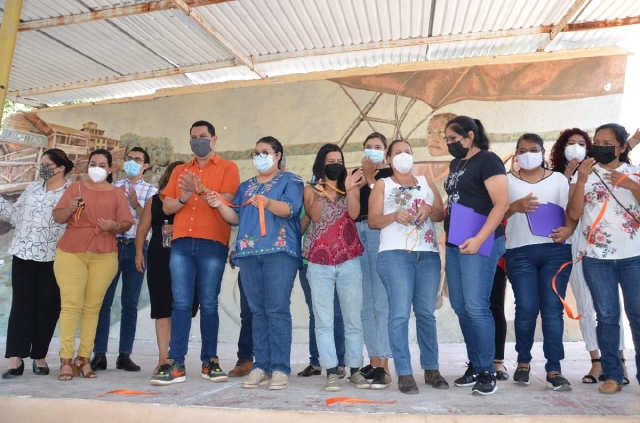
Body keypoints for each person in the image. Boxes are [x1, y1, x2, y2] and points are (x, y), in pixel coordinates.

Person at [209, 136, 303, 390]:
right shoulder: (246, 185)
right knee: (257, 312)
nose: (260, 156)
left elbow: (290, 210)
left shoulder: (291, 180)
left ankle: (280, 368)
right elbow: (235, 218)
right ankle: (261, 365)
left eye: (265, 152)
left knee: (277, 309)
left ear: (278, 155)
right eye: (256, 152)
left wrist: (269, 203)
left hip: (279, 251)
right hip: (249, 254)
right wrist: (219, 204)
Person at [151, 120, 240, 385]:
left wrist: (199, 189)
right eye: (193, 137)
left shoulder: (228, 167)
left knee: (209, 303)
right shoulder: (180, 170)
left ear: (214, 140)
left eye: (203, 136)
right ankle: (175, 363)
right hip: (180, 245)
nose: (197, 140)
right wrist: (184, 197)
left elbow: (227, 199)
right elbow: (167, 206)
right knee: (179, 303)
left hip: (212, 243)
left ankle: (210, 361)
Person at [369, 139, 448, 394]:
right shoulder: (383, 184)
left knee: (426, 313)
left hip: (427, 255)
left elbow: (440, 214)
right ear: (389, 159)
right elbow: (372, 221)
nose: (404, 156)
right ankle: (404, 372)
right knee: (400, 314)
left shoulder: (425, 182)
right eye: (398, 153)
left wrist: (428, 208)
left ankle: (432, 368)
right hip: (394, 255)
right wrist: (394, 216)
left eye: (408, 152)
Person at [550, 128, 628, 384]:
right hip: (575, 241)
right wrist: (572, 177)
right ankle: (597, 362)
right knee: (587, 304)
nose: (576, 147)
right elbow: (568, 212)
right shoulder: (557, 176)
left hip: (607, 246)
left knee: (613, 310)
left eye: (582, 143)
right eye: (570, 144)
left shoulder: (601, 171)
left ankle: (619, 361)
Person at [567, 123, 640, 395]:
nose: (600, 146)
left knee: (638, 314)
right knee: (607, 316)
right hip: (597, 258)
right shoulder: (584, 175)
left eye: (608, 143)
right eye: (596, 141)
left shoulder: (635, 172)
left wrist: (631, 185)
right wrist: (582, 180)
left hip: (634, 256)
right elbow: (573, 215)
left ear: (622, 147)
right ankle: (612, 375)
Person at [52, 149, 134, 381]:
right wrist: (70, 208)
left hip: (105, 253)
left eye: (102, 164)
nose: (96, 167)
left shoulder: (117, 193)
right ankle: (66, 359)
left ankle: (84, 357)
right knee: (71, 304)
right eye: (93, 163)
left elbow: (127, 222)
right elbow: (58, 217)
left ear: (110, 169)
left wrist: (114, 226)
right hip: (71, 250)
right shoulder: (74, 188)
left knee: (92, 307)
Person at [443, 116, 509, 396]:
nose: (449, 144)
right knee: (459, 304)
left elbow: (502, 203)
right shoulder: (456, 164)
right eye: (446, 139)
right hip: (456, 241)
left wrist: (480, 238)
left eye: (453, 139)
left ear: (470, 136)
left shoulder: (488, 160)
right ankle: (475, 363)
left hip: (480, 240)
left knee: (477, 305)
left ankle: (487, 369)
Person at [505, 133, 574, 391]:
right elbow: (496, 212)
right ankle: (523, 363)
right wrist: (514, 206)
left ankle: (554, 369)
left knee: (552, 310)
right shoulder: (506, 181)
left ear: (543, 152)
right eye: (522, 150)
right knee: (525, 308)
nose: (527, 154)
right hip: (519, 251)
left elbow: (572, 211)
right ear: (516, 154)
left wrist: (568, 230)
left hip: (555, 251)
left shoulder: (558, 179)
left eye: (533, 149)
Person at [1, 149, 73, 379]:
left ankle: (39, 357)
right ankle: (15, 358)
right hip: (23, 253)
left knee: (48, 307)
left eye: (46, 164)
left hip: (55, 256)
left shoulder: (71, 192)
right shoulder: (32, 189)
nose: (41, 168)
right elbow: (14, 216)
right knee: (21, 305)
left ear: (60, 167)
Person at [302, 143, 365, 392]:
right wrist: (318, 197)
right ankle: (330, 371)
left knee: (352, 319)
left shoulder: (351, 185)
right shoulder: (310, 189)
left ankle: (356, 370)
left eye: (338, 159)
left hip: (349, 260)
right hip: (319, 263)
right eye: (330, 160)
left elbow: (354, 212)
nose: (335, 164)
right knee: (323, 320)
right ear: (321, 163)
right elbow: (315, 217)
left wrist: (349, 190)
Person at [92, 147, 157, 372]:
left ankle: (124, 355)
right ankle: (99, 354)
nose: (132, 163)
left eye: (138, 160)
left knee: (130, 304)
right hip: (111, 246)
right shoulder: (113, 186)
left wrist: (135, 204)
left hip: (137, 249)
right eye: (129, 159)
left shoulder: (152, 190)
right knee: (104, 302)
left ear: (146, 165)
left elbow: (151, 220)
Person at [134, 161, 199, 375]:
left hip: (189, 260)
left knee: (183, 309)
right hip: (159, 260)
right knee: (162, 309)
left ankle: (176, 356)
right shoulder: (155, 201)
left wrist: (179, 227)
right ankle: (163, 359)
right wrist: (138, 254)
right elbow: (142, 229)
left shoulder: (195, 202)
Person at [354, 132, 393, 387]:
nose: (372, 151)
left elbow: (387, 204)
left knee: (381, 301)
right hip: (358, 232)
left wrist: (370, 179)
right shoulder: (355, 175)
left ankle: (385, 365)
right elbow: (353, 208)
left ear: (386, 151)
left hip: (380, 232)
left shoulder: (391, 175)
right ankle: (373, 358)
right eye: (368, 147)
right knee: (364, 303)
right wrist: (357, 183)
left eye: (377, 147)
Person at [297, 213, 346, 379]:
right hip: (308, 262)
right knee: (315, 314)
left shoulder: (340, 194)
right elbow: (298, 231)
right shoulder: (308, 196)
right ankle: (315, 362)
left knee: (336, 313)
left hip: (336, 261)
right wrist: (311, 212)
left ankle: (339, 363)